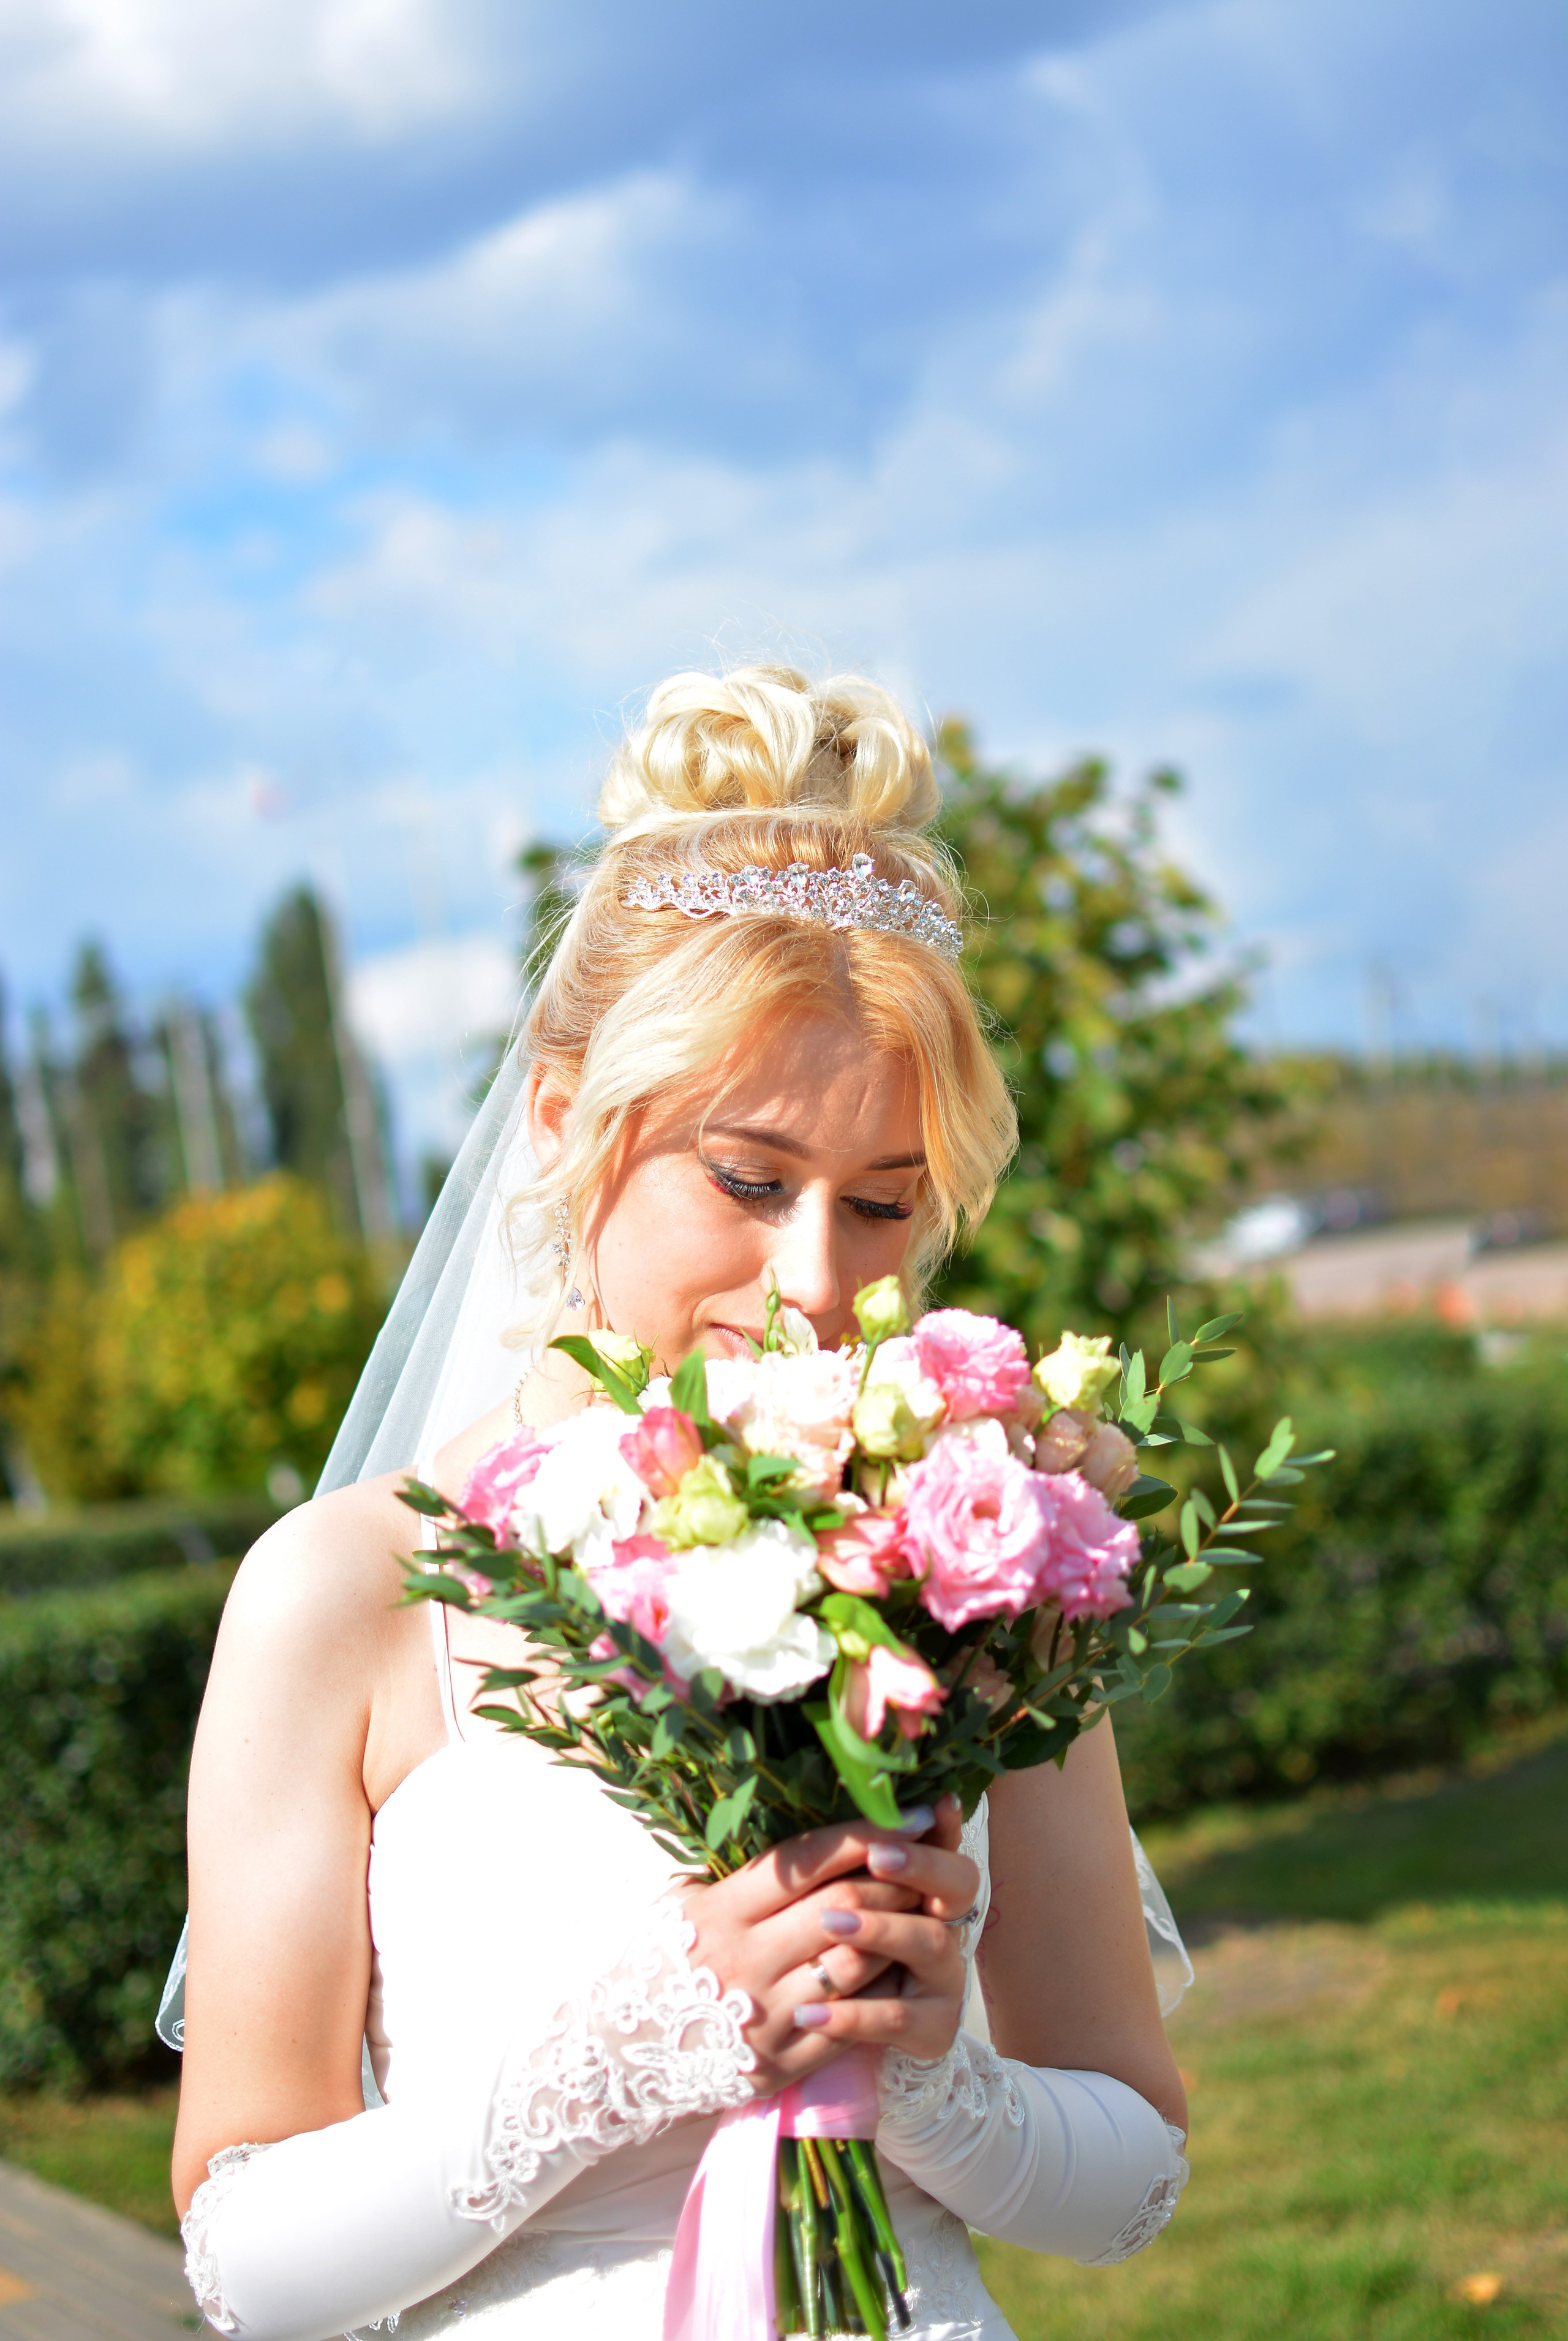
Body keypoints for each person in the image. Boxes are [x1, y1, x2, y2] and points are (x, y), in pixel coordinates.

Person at [172, 665, 1190, 2341]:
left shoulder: (970, 1553)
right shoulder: (349, 1591)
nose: (813, 1280)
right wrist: (665, 2025)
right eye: (748, 1181)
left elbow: (1132, 2175)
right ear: (568, 1124)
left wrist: (928, 2079)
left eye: (881, 1204)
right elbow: (250, 2266)